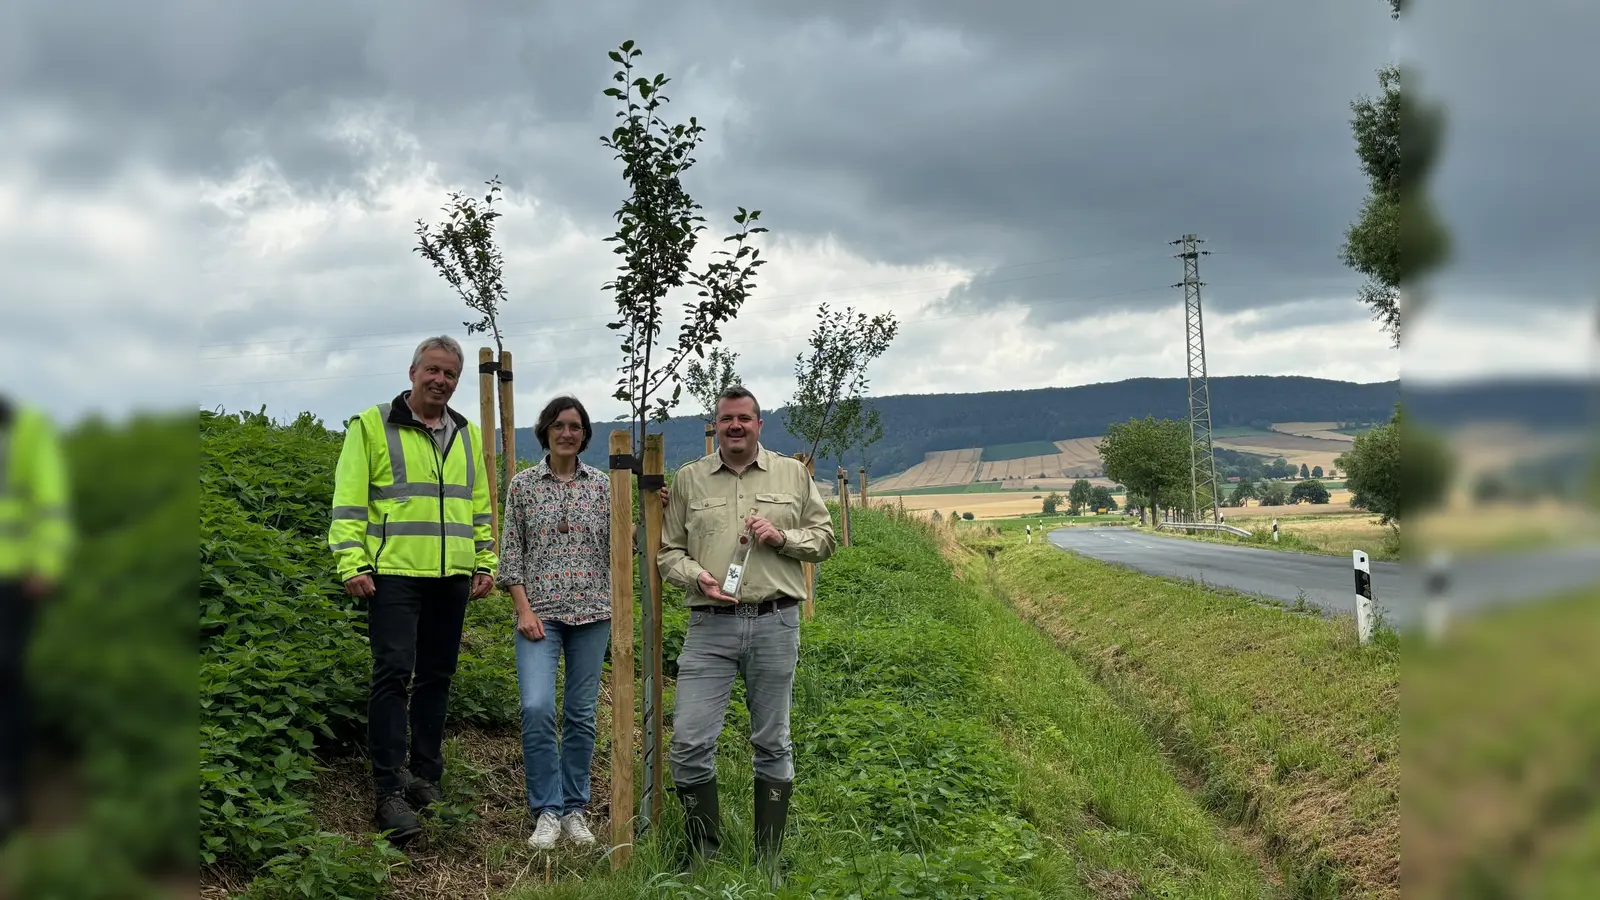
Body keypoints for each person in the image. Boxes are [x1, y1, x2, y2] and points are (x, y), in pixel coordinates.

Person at [658, 384, 835, 879]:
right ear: (715, 426)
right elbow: (668, 552)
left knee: (773, 741)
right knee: (690, 742)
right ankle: (703, 853)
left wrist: (783, 537)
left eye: (745, 418)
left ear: (760, 424)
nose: (735, 426)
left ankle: (769, 858)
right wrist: (699, 578)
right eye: (726, 419)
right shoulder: (690, 479)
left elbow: (824, 540)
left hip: (776, 622)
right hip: (709, 628)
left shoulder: (793, 474)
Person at [327, 335, 497, 844]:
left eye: (450, 374)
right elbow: (349, 497)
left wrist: (484, 558)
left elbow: (479, 502)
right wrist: (351, 561)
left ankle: (425, 776)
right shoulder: (372, 425)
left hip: (451, 577)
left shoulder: (465, 433)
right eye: (433, 370)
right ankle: (387, 788)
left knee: (437, 676)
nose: (441, 380)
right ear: (412, 371)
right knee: (394, 673)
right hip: (393, 574)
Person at [496, 396, 611, 851]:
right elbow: (511, 553)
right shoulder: (523, 485)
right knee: (537, 707)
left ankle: (575, 808)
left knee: (581, 714)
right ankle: (546, 809)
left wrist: (649, 502)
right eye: (560, 425)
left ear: (585, 434)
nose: (568, 433)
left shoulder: (602, 486)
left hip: (593, 612)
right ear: (545, 430)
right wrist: (523, 609)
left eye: (576, 426)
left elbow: (626, 542)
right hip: (539, 615)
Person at [0, 396, 72, 843]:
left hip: (12, 576)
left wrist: (46, 563)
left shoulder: (26, 427)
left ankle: (9, 785)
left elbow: (51, 500)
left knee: (5, 673)